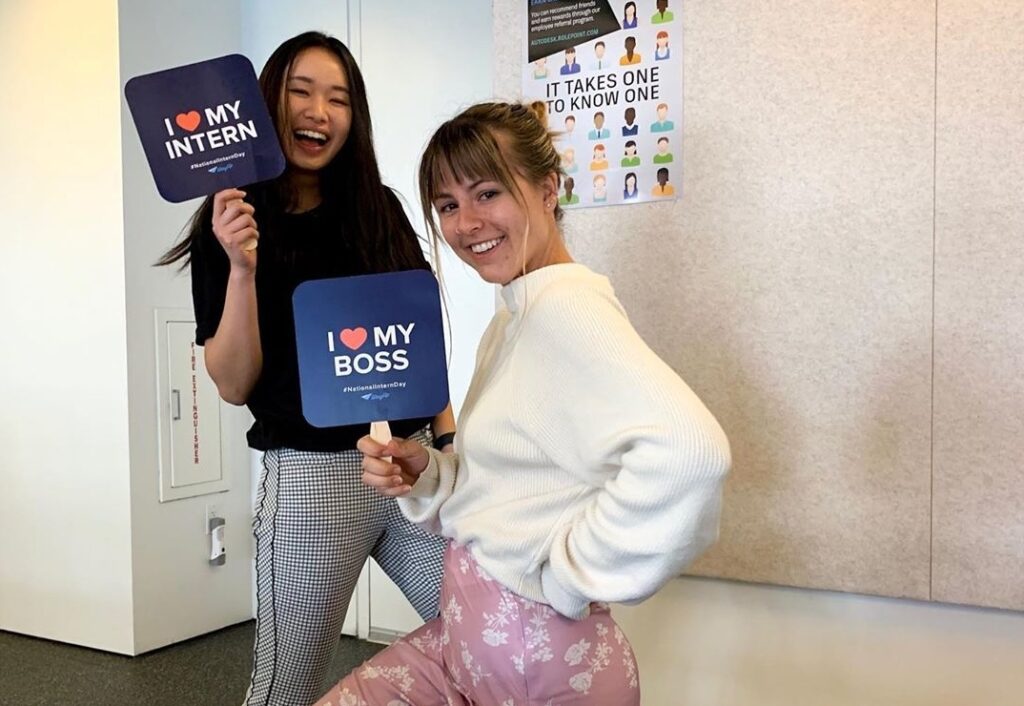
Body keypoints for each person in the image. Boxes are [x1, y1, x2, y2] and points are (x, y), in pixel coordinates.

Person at [314, 101, 730, 705]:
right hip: (467, 647)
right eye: (448, 205)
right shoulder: (514, 316)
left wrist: (566, 573)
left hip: (541, 669)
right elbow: (518, 476)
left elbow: (691, 454)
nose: (466, 223)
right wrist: (427, 471)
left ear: (546, 189)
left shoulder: (567, 310)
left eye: (487, 193)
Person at [157, 31, 452, 706]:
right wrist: (241, 266)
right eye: (301, 90)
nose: (320, 111)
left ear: (355, 118)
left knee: (489, 638)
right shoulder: (229, 222)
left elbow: (422, 339)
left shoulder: (378, 206)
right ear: (268, 104)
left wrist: (448, 449)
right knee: (285, 689)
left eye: (339, 98)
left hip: (413, 465)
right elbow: (233, 385)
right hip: (313, 478)